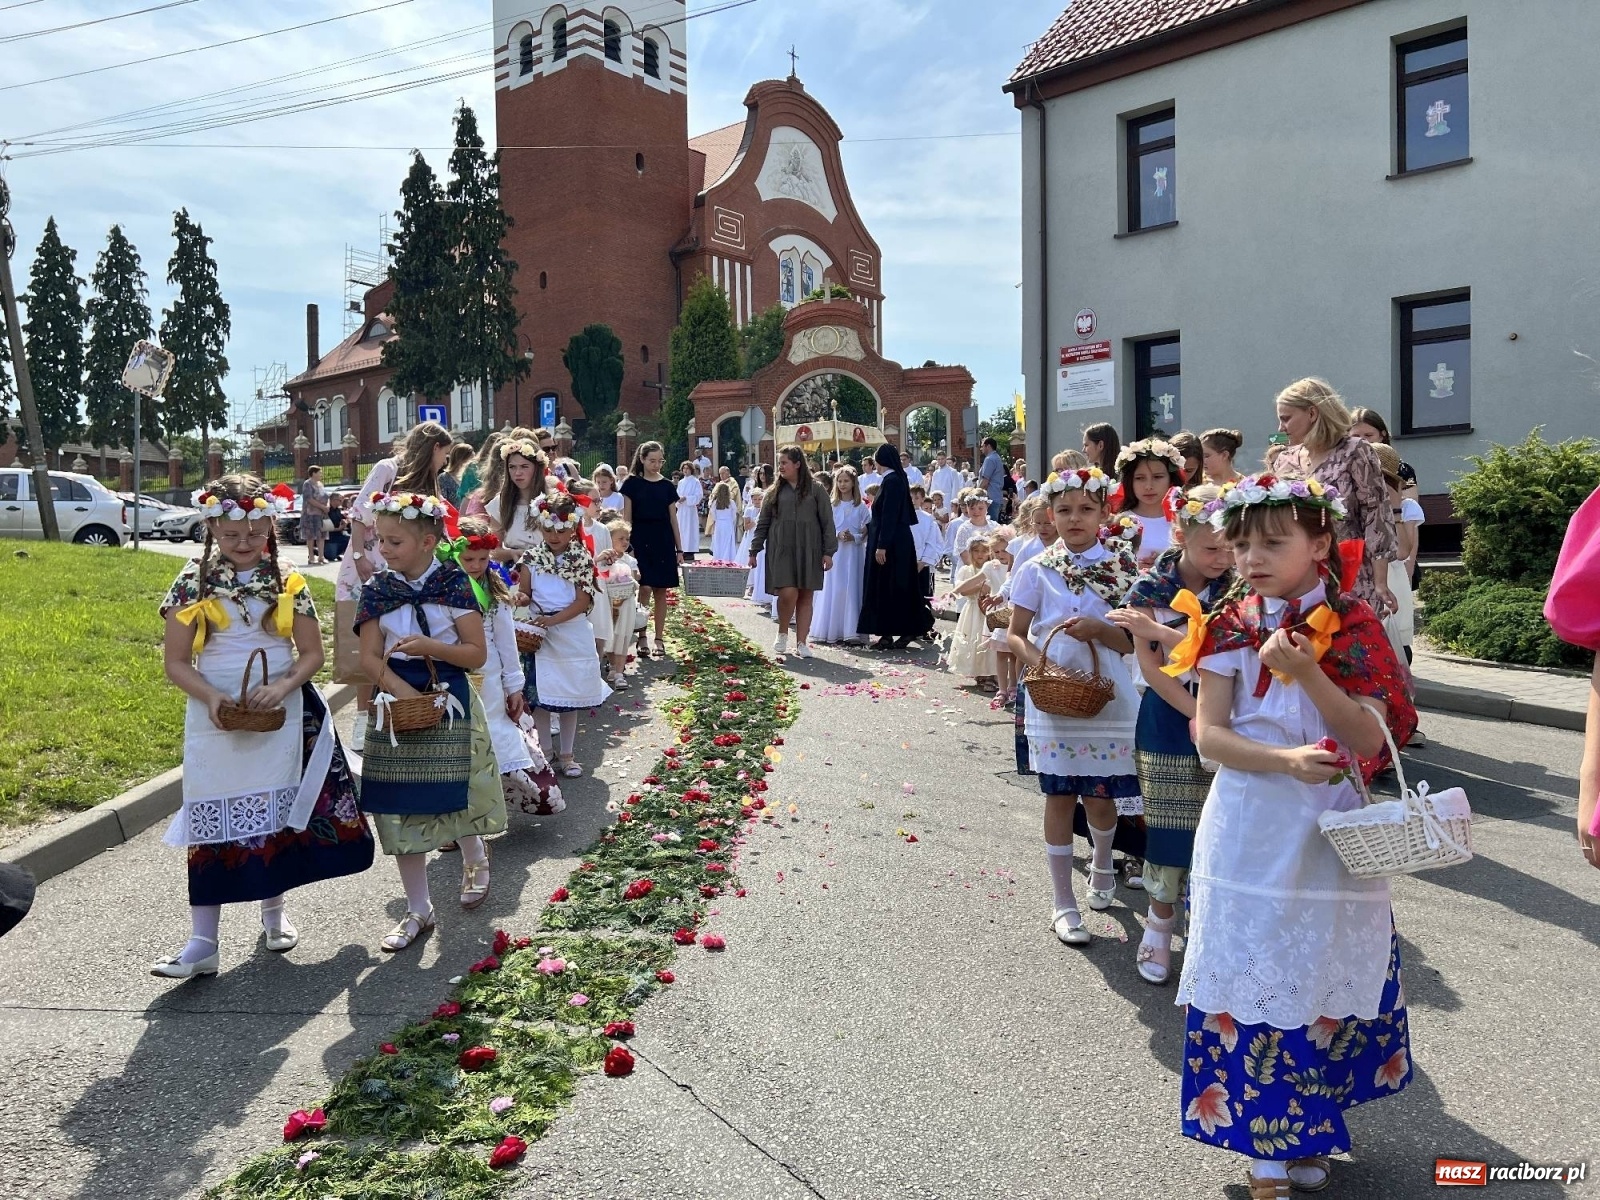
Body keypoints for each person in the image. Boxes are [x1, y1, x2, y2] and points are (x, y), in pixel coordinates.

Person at [1168, 475, 1417, 1198]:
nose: (1251, 558)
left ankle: (1307, 1131)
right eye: (1242, 543)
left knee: (1317, 972)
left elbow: (1368, 737)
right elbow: (1211, 738)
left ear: (1319, 544)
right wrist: (1283, 761)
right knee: (1255, 971)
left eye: (1273, 542)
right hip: (1249, 823)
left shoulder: (1355, 624)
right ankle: (1265, 1150)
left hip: (1331, 827)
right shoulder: (1226, 623)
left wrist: (1307, 672)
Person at [153, 475, 371, 979]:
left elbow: (312, 653)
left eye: (255, 532)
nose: (244, 542)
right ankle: (202, 942)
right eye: (231, 534)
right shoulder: (193, 580)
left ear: (270, 525)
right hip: (215, 713)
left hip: (280, 710)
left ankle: (274, 915)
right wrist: (211, 696)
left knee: (276, 812)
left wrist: (283, 686)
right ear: (212, 527)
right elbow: (177, 662)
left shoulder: (285, 578)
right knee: (210, 816)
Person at [354, 491, 505, 951]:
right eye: (380, 540)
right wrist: (404, 694)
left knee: (456, 787)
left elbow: (476, 653)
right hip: (399, 695)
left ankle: (474, 854)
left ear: (428, 541)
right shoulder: (378, 589)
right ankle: (418, 908)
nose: (384, 549)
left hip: (449, 690)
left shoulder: (454, 584)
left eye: (394, 541)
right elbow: (369, 656)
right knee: (402, 802)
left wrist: (430, 648)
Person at [1104, 485, 1234, 986]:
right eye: (1212, 548)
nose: (1223, 558)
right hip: (1169, 715)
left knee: (1220, 825)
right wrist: (1199, 716)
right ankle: (1159, 926)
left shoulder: (1240, 591)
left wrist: (1163, 633)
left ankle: (1207, 929)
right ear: (1180, 535)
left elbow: (1231, 655)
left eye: (1230, 547)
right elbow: (1153, 670)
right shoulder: (1148, 591)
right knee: (1170, 823)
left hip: (1230, 714)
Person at [1006, 467, 1141, 945]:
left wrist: (1101, 630)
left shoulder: (1122, 567)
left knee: (1101, 796)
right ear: (1051, 514)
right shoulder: (1037, 568)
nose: (1074, 518)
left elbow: (1132, 642)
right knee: (1059, 795)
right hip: (1053, 696)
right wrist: (1045, 669)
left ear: (1104, 512)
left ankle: (1102, 862)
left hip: (1107, 694)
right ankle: (1063, 902)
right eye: (1064, 510)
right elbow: (1016, 635)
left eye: (1086, 509)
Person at [335, 421, 455, 746]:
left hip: (409, 575)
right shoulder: (387, 469)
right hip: (370, 568)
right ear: (434, 448)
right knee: (364, 645)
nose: (445, 462)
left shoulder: (430, 483)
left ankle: (401, 710)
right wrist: (359, 555)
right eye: (445, 454)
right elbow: (359, 514)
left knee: (395, 643)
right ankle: (362, 718)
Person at [447, 516, 564, 817]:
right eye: (468, 559)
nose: (476, 565)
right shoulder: (443, 589)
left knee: (493, 735)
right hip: (452, 672)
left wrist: (513, 687)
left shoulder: (494, 593)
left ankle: (494, 803)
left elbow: (506, 641)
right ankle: (461, 811)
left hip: (489, 677)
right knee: (459, 741)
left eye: (483, 559)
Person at [1273, 378, 1399, 618]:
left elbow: (1376, 514)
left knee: (1347, 638)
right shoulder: (1284, 460)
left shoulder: (1354, 450)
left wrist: (1380, 582)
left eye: (1286, 418)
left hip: (1349, 570)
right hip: (1298, 574)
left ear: (1312, 413)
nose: (1281, 428)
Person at [516, 491, 611, 777]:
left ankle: (567, 754)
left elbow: (582, 601)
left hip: (570, 631)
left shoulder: (580, 557)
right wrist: (520, 598)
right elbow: (526, 592)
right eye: (548, 529)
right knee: (542, 697)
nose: (554, 536)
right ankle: (545, 751)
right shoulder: (531, 558)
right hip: (541, 636)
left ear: (573, 527)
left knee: (570, 696)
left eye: (561, 530)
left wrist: (553, 620)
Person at [749, 445, 837, 660]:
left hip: (810, 548)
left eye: (784, 463)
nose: (780, 467)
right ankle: (782, 632)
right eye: (779, 463)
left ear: (797, 464)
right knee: (787, 592)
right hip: (782, 548)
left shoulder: (816, 489)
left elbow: (827, 522)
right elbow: (763, 523)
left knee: (806, 594)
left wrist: (828, 552)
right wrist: (754, 549)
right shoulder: (774, 491)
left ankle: (802, 642)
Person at [858, 444, 934, 651]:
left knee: (889, 586)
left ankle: (897, 630)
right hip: (896, 541)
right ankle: (892, 631)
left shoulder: (892, 481)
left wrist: (882, 545)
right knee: (893, 586)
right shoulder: (894, 479)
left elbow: (889, 515)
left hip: (890, 544)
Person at [621, 441, 681, 658]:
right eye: (652, 461)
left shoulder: (667, 486)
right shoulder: (631, 484)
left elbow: (673, 519)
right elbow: (626, 518)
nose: (656, 465)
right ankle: (643, 635)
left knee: (661, 591)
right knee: (644, 588)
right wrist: (626, 545)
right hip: (640, 540)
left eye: (659, 461)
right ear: (642, 459)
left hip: (663, 540)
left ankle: (659, 638)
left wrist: (680, 549)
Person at [1373, 444, 1423, 669]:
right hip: (1364, 585)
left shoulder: (1403, 507)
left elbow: (1402, 551)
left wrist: (1394, 509)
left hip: (1393, 584)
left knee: (1398, 653)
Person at [811, 466, 869, 644]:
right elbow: (824, 527)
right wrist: (837, 534)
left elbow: (867, 531)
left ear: (853, 483)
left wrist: (855, 537)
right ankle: (832, 628)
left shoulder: (861, 507)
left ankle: (851, 630)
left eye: (846, 481)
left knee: (851, 587)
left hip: (854, 553)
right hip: (836, 552)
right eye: (840, 481)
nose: (843, 484)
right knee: (835, 587)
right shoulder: (831, 505)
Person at [1113, 438, 1186, 566]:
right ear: (1130, 481)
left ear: (1171, 479)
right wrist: (1133, 568)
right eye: (1140, 478)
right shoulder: (1121, 520)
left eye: (1157, 477)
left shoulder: (1183, 519)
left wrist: (1165, 566)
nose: (1148, 486)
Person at [948, 534, 1002, 687]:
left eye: (984, 551)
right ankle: (979, 672)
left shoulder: (993, 568)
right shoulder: (966, 570)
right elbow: (963, 591)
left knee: (989, 642)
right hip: (972, 611)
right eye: (976, 551)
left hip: (989, 610)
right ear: (970, 553)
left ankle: (991, 674)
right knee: (974, 640)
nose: (980, 554)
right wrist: (979, 586)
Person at [596, 515, 639, 689]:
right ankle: (613, 666)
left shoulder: (629, 560)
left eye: (627, 539)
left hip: (626, 603)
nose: (625, 542)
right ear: (609, 540)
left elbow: (635, 579)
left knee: (622, 636)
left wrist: (633, 576)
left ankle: (620, 673)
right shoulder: (604, 560)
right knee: (610, 636)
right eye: (620, 538)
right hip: (608, 602)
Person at [983, 531, 1018, 701]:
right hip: (1002, 613)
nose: (1001, 554)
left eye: (1004, 550)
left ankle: (1014, 686)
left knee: (1015, 654)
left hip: (1017, 612)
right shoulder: (994, 567)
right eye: (997, 552)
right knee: (1001, 653)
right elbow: (1005, 586)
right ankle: (1002, 689)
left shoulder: (1018, 565)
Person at [909, 483, 943, 599]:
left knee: (922, 597)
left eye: (916, 498)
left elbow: (932, 542)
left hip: (922, 563)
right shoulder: (900, 515)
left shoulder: (927, 518)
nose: (913, 501)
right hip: (904, 561)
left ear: (922, 499)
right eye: (910, 497)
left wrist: (923, 562)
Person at [706, 478, 741, 562]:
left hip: (719, 523)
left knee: (719, 541)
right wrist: (730, 521)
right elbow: (734, 514)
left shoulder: (715, 502)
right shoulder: (731, 502)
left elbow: (713, 513)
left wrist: (717, 520)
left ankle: (718, 557)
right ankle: (727, 557)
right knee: (728, 541)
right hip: (728, 523)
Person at [299, 465, 328, 565]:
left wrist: (327, 506)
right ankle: (311, 557)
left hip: (321, 514)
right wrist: (322, 507)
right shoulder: (307, 484)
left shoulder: (320, 484)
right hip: (309, 514)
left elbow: (325, 496)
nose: (321, 474)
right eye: (319, 473)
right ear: (313, 473)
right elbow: (309, 499)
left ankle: (321, 557)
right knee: (310, 536)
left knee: (321, 535)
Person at [675, 461, 704, 562]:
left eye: (687, 468)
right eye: (684, 468)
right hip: (681, 510)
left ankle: (689, 552)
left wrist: (686, 498)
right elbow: (677, 494)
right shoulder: (681, 482)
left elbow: (699, 495)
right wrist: (678, 500)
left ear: (691, 470)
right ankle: (680, 550)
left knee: (690, 530)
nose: (685, 470)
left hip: (690, 510)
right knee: (681, 529)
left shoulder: (695, 482)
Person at [437, 441, 474, 505]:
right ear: (461, 460)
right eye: (471, 460)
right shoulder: (443, 478)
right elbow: (442, 503)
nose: (473, 464)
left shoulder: (471, 479)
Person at [979, 436, 1006, 520]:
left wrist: (976, 493)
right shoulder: (997, 457)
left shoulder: (989, 459)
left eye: (982, 446)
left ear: (988, 446)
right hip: (996, 497)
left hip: (990, 499)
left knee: (989, 525)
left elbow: (985, 481)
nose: (981, 449)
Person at [323, 494, 349, 561]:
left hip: (338, 535)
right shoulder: (327, 511)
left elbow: (341, 520)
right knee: (331, 557)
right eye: (340, 500)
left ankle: (337, 553)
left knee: (349, 539)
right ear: (334, 500)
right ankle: (318, 552)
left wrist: (344, 522)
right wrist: (338, 529)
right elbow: (325, 527)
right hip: (329, 537)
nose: (341, 502)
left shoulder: (338, 511)